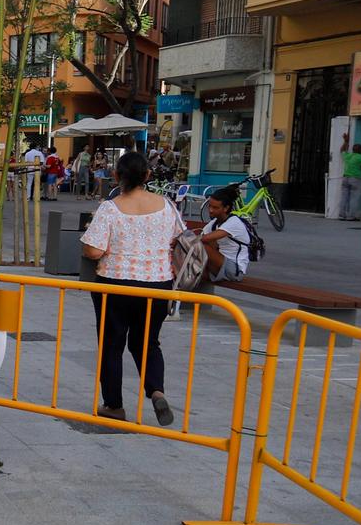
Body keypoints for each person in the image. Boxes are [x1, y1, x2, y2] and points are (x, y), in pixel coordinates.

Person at [80, 151, 182, 426]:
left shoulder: (110, 208)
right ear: (148, 176)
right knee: (148, 342)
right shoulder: (167, 206)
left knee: (112, 345)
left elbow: (92, 250)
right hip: (158, 285)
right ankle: (156, 391)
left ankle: (114, 405)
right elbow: (178, 239)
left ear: (116, 177)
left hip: (115, 284)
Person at [197, 186, 252, 285]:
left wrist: (185, 239)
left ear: (226, 208)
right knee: (192, 270)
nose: (210, 210)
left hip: (235, 270)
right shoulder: (214, 223)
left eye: (215, 207)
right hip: (220, 265)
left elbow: (204, 238)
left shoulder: (234, 222)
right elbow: (200, 235)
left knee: (203, 248)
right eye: (209, 206)